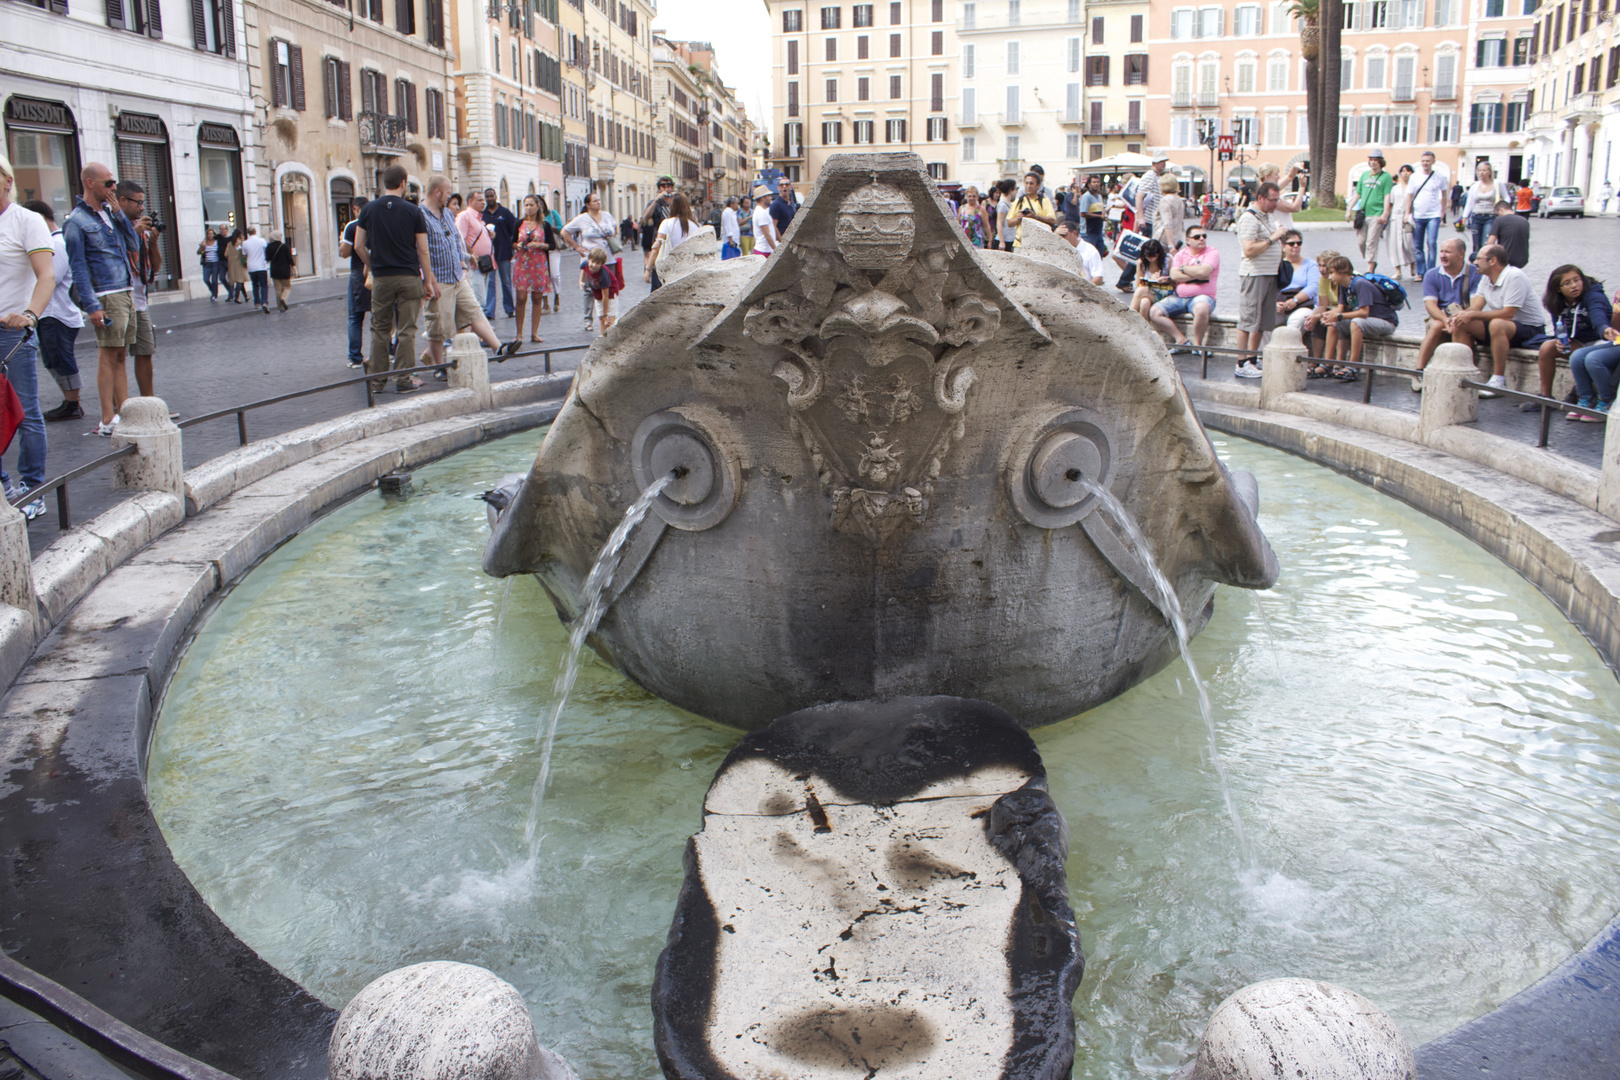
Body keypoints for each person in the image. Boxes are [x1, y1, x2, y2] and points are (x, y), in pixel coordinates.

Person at [63, 162, 137, 436]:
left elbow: (133, 245)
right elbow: (78, 267)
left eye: (113, 183)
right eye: (108, 183)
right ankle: (108, 416)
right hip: (105, 294)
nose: (113, 188)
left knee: (120, 354)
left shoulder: (109, 214)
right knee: (107, 354)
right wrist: (91, 305)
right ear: (89, 182)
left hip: (124, 290)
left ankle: (124, 411)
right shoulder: (76, 222)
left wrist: (119, 214)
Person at [0, 159, 54, 517]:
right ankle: (5, 486)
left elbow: (46, 275)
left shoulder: (26, 221)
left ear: (7, 180)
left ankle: (34, 490)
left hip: (12, 332)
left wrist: (31, 315)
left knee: (25, 412)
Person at [354, 163, 437, 395]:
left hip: (382, 277)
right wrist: (427, 280)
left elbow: (359, 245)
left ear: (384, 183)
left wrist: (372, 265)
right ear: (403, 183)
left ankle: (378, 382)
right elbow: (423, 250)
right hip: (409, 276)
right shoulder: (414, 211)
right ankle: (403, 378)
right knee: (406, 329)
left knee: (379, 329)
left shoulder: (368, 210)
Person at [419, 175, 509, 369]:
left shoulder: (447, 214)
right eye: (448, 192)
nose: (450, 196)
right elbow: (420, 249)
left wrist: (467, 258)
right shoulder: (420, 215)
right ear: (437, 192)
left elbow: (453, 242)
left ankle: (499, 348)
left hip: (457, 275)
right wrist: (427, 279)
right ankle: (438, 366)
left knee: (474, 311)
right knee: (438, 325)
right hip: (438, 278)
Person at [1451, 243, 1550, 397]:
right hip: (1503, 327)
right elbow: (1476, 307)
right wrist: (1461, 316)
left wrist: (1471, 315)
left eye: (1478, 259)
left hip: (1529, 329)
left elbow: (1508, 313)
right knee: (1462, 323)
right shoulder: (1485, 278)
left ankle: (1498, 380)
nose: (1474, 262)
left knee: (1497, 324)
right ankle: (1463, 373)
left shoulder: (1514, 276)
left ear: (1493, 261)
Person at [25, 200, 84, 422]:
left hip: (57, 313)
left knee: (61, 358)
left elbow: (50, 278)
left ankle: (73, 402)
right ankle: (69, 401)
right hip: (51, 313)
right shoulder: (53, 242)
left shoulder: (55, 244)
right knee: (52, 359)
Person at [1531, 264, 1611, 407]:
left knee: (1584, 356)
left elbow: (1598, 315)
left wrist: (1604, 329)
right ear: (1558, 289)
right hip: (1579, 341)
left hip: (1601, 340)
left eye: (1576, 280)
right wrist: (1560, 341)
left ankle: (1591, 397)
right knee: (1546, 348)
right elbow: (1559, 328)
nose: (1574, 286)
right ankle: (1546, 398)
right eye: (1567, 283)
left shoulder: (1593, 294)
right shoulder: (1556, 302)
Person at [1412, 237, 1482, 390]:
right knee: (1436, 325)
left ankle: (1462, 370)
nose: (1442, 255)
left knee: (1460, 324)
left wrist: (1459, 317)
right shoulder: (1432, 274)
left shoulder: (1475, 274)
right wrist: (1445, 319)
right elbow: (1430, 305)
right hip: (1440, 316)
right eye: (1441, 251)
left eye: (1447, 252)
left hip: (1465, 315)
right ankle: (1418, 371)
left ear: (1461, 254)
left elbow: (1477, 304)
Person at [115, 181, 161, 409]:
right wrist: (132, 233)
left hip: (140, 300)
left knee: (145, 352)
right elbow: (110, 254)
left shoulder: (141, 231)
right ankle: (120, 407)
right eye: (138, 202)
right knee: (118, 355)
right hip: (119, 300)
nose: (142, 208)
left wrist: (152, 243)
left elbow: (156, 266)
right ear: (123, 201)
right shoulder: (114, 225)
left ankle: (149, 405)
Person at [1233, 180, 1287, 373]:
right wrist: (1273, 238)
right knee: (1248, 320)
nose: (1275, 204)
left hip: (1269, 273)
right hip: (1254, 274)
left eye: (1277, 200)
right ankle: (1241, 362)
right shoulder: (1249, 218)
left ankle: (1252, 358)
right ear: (1261, 198)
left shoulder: (1266, 217)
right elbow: (1249, 249)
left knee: (1262, 321)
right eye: (1272, 200)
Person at [1320, 255, 1398, 380]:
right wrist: (1327, 315)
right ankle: (1331, 364)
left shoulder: (1360, 284)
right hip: (1367, 320)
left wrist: (1339, 316)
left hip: (1386, 321)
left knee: (1356, 322)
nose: (1329, 277)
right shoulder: (1343, 285)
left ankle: (1353, 366)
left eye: (1331, 273)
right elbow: (1340, 309)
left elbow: (1364, 312)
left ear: (1342, 271)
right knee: (1334, 323)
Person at [1150, 225, 1219, 352]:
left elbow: (1205, 271)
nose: (1202, 239)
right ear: (1188, 240)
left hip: (1203, 296)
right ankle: (1181, 340)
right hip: (1179, 297)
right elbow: (1174, 275)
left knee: (1201, 308)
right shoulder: (1181, 254)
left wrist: (1183, 269)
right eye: (1197, 237)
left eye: (1204, 236)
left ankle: (1198, 345)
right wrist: (1197, 275)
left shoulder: (1212, 252)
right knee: (1154, 312)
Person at [563, 190, 621, 331]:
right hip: (591, 259)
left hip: (608, 258)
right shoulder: (582, 218)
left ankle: (610, 317)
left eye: (599, 200)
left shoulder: (606, 215)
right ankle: (588, 320)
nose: (598, 202)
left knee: (610, 288)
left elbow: (615, 228)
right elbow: (564, 231)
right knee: (590, 289)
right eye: (595, 201)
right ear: (588, 204)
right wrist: (576, 246)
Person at [511, 195, 552, 344]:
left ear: (537, 206)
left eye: (531, 205)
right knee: (521, 298)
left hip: (538, 264)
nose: (528, 208)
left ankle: (534, 333)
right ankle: (519, 333)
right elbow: (513, 242)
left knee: (537, 298)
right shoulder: (519, 223)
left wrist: (539, 245)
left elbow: (552, 245)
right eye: (526, 205)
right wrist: (518, 245)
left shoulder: (544, 225)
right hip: (522, 263)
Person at [1347, 150, 1394, 274]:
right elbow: (1358, 194)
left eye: (1376, 160)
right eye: (1371, 160)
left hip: (1376, 214)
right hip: (1363, 214)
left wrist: (1385, 213)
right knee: (1361, 242)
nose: (1373, 163)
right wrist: (1349, 209)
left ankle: (1370, 266)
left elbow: (1387, 196)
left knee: (1371, 242)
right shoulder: (1365, 175)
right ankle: (1370, 259)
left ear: (1381, 162)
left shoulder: (1386, 177)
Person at [1405, 150, 1447, 280]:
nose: (1425, 163)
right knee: (1418, 246)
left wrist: (1442, 212)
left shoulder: (1440, 177)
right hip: (1418, 215)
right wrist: (1407, 213)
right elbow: (1409, 196)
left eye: (1428, 161)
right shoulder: (1414, 177)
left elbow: (1445, 194)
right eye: (1423, 161)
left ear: (1433, 162)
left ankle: (1431, 271)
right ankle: (1421, 272)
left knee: (1431, 243)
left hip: (1433, 214)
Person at [339, 197, 370, 369]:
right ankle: (388, 351)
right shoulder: (376, 221)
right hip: (378, 272)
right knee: (382, 316)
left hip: (359, 273)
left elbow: (345, 253)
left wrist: (341, 243)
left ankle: (355, 357)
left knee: (355, 318)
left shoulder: (352, 226)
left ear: (356, 209)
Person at [646, 192, 700, 284]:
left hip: (670, 270)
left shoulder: (666, 223)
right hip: (689, 270)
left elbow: (656, 247)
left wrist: (648, 269)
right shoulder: (695, 225)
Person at [481, 188, 518, 318]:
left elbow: (514, 231)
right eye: (487, 196)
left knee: (506, 281)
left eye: (492, 196)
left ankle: (509, 309)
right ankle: (489, 311)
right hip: (488, 254)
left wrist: (513, 248)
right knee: (490, 283)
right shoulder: (482, 214)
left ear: (496, 196)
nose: (490, 198)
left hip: (504, 252)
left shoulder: (505, 213)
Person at [1274, 230, 1319, 331]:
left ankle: (1289, 346)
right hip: (1280, 304)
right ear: (1283, 246)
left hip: (1302, 304)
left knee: (1296, 321)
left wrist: (1295, 300)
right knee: (1264, 322)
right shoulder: (1277, 265)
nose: (1296, 246)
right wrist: (1274, 303)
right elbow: (1269, 287)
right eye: (1291, 243)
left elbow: (1313, 287)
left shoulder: (1311, 265)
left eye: (1299, 243)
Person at [458, 190, 495, 310]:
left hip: (484, 263)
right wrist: (471, 253)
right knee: (478, 300)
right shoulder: (465, 216)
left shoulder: (479, 218)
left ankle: (479, 326)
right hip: (473, 263)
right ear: (470, 201)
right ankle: (477, 327)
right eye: (479, 200)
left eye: (483, 200)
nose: (483, 203)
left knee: (481, 299)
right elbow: (460, 239)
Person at [1463, 162, 1509, 256]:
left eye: (1484, 170)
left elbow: (1507, 197)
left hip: (1490, 216)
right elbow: (1470, 202)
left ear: (1489, 172)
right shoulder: (1474, 186)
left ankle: (1486, 262)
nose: (1481, 173)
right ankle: (1476, 264)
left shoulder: (1497, 184)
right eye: (1479, 170)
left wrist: (1503, 208)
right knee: (1476, 243)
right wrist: (1465, 217)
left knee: (1487, 242)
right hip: (1476, 216)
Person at [1125, 238, 1174, 323]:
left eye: (1153, 256)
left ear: (1159, 254)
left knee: (1141, 290)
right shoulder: (1142, 262)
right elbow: (1138, 283)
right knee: (1144, 303)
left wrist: (1164, 279)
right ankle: (1146, 331)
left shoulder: (1168, 259)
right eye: (1147, 256)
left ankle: (1128, 320)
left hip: (1165, 292)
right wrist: (1150, 280)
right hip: (1149, 293)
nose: (1150, 258)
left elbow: (1174, 280)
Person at [1006, 172, 1056, 252]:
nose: (1028, 186)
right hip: (1020, 244)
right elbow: (1009, 223)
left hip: (1039, 245)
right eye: (1027, 183)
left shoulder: (1044, 201)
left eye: (1031, 183)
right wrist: (1019, 218)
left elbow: (1052, 220)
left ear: (1038, 185)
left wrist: (1036, 217)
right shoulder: (1019, 201)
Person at [641, 176, 676, 289]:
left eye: (669, 186)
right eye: (663, 186)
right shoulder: (655, 203)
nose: (666, 189)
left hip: (675, 242)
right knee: (657, 282)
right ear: (659, 189)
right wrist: (656, 201)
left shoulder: (676, 201)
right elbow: (646, 216)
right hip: (659, 241)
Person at [1387, 164, 1416, 281]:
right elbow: (1391, 204)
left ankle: (1413, 265)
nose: (1405, 173)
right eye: (1403, 171)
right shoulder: (1395, 188)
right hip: (1395, 218)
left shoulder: (1414, 187)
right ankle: (1398, 270)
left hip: (1408, 218)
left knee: (1409, 243)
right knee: (1395, 245)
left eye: (1408, 171)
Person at [583, 246, 619, 334]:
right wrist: (581, 281)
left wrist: (605, 314)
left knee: (608, 319)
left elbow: (605, 297)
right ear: (589, 260)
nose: (594, 265)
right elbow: (582, 269)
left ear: (602, 264)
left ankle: (610, 340)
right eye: (592, 261)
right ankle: (602, 337)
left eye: (598, 263)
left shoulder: (604, 275)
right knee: (601, 317)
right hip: (597, 293)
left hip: (609, 294)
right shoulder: (585, 264)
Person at [1485, 200, 1529, 268]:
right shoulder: (1524, 221)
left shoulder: (1500, 220)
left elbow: (1491, 242)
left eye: (1497, 213)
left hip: (1505, 258)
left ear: (1501, 209)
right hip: (1522, 259)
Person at [1077, 175, 1107, 256]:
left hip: (1098, 231)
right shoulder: (1086, 197)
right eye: (1094, 182)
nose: (1096, 184)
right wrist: (1099, 217)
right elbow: (1083, 213)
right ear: (1089, 184)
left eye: (1098, 182)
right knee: (1089, 255)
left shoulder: (1099, 196)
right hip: (1089, 231)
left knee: (1098, 255)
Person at [265, 230, 294, 311]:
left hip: (274, 270)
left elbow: (267, 258)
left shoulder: (269, 247)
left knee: (278, 289)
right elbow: (289, 258)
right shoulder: (284, 246)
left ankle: (280, 307)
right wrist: (293, 266)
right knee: (287, 287)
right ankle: (284, 299)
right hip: (284, 270)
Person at [242, 225, 269, 312]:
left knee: (255, 285)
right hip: (261, 266)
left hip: (251, 266)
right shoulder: (262, 241)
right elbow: (266, 250)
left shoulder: (245, 243)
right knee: (264, 285)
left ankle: (256, 302)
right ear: (255, 231)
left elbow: (244, 254)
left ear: (248, 233)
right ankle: (264, 301)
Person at [1156, 173, 1185, 253]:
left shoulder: (1165, 200)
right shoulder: (1179, 200)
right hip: (1177, 235)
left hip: (1165, 237)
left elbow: (1167, 223)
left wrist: (1170, 244)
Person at [751, 186, 779, 258]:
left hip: (764, 250)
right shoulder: (761, 213)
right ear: (763, 198)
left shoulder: (761, 211)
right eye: (768, 196)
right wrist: (776, 250)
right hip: (764, 251)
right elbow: (767, 234)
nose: (770, 198)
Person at [769, 178, 800, 242]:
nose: (784, 186)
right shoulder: (776, 205)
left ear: (790, 187)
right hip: (783, 242)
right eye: (781, 185)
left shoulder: (791, 203)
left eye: (787, 184)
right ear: (778, 188)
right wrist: (782, 242)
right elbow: (773, 226)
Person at [224, 228, 248, 302]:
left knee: (239, 280)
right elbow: (244, 252)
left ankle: (246, 296)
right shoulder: (241, 243)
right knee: (240, 280)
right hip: (240, 264)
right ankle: (236, 297)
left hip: (232, 265)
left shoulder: (229, 244)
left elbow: (226, 254)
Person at [198, 228, 220, 300]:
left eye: (211, 234)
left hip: (215, 263)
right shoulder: (204, 242)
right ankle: (213, 291)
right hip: (207, 263)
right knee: (206, 279)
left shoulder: (217, 242)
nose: (210, 235)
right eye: (208, 234)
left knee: (214, 280)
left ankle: (214, 295)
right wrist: (202, 246)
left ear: (214, 235)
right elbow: (198, 252)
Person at [996, 179, 1017, 252]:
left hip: (1010, 238)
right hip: (1004, 239)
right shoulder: (1003, 205)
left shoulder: (1010, 204)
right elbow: (999, 223)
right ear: (1011, 190)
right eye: (1015, 189)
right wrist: (1002, 241)